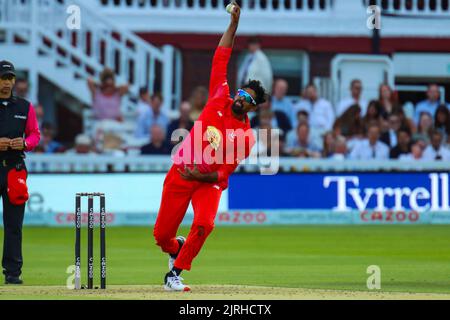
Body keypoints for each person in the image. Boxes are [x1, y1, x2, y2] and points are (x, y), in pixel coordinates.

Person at [153, 3, 266, 292]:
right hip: (181, 172)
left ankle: (175, 274)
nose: (241, 99)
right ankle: (176, 247)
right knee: (161, 235)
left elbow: (223, 174)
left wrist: (200, 176)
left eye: (248, 99)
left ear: (252, 108)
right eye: (242, 93)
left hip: (206, 182)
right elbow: (221, 58)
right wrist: (233, 26)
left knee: (205, 223)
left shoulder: (246, 137)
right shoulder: (219, 96)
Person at [0, 61, 40, 284]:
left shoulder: (25, 107)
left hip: (14, 170)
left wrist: (24, 144)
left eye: (10, 78)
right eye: (3, 78)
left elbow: (35, 134)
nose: (6, 83)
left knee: (14, 224)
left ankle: (13, 273)